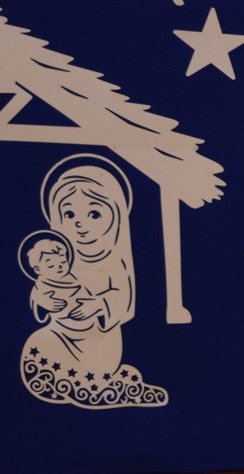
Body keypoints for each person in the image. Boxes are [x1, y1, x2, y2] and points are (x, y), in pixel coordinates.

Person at [21, 158, 167, 408]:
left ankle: (94, 386)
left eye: (94, 214)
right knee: (36, 346)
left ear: (115, 216)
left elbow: (124, 301)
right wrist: (42, 301)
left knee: (95, 367)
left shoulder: (115, 264)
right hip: (61, 334)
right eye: (69, 214)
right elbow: (39, 290)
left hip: (97, 340)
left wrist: (99, 305)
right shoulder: (57, 259)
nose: (80, 223)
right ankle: (65, 386)